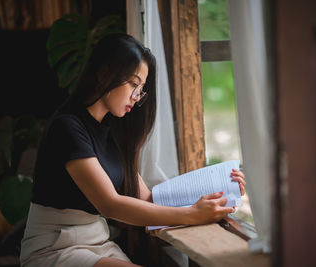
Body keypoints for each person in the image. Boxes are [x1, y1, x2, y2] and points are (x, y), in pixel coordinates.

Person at [20, 33, 246, 267]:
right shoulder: (67, 127)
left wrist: (220, 188)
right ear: (105, 74)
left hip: (97, 242)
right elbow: (110, 204)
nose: (136, 97)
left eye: (141, 89)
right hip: (54, 247)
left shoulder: (113, 132)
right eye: (133, 84)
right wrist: (191, 214)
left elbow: (148, 199)